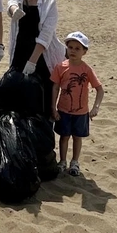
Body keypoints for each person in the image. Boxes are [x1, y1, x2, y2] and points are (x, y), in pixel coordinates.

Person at [7, 0, 66, 112]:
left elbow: (46, 34)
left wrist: (32, 62)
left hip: (41, 56)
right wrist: (14, 10)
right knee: (18, 101)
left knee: (43, 101)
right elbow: (11, 3)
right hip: (19, 55)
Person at [49, 31, 104, 177]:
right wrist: (53, 107)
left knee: (77, 137)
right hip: (63, 109)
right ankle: (62, 161)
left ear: (84, 51)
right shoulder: (61, 67)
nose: (73, 51)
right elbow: (55, 87)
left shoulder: (86, 69)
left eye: (77, 48)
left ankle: (75, 161)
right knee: (64, 136)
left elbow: (99, 89)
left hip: (81, 112)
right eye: (70, 47)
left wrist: (95, 107)